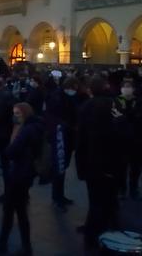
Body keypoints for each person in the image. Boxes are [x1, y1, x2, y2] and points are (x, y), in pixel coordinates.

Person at [0, 103, 42, 256]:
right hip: (25, 173)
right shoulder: (36, 126)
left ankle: (21, 247)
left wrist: (14, 136)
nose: (15, 116)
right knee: (14, 210)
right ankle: (8, 243)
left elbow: (11, 150)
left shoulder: (27, 130)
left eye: (18, 113)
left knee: (16, 210)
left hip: (19, 174)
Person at [76, 76, 124, 246]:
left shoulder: (86, 107)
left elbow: (81, 138)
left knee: (95, 200)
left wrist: (80, 164)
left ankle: (92, 237)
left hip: (91, 161)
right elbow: (120, 131)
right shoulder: (114, 104)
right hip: (111, 160)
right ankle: (110, 233)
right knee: (109, 199)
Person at [45, 76, 83, 211]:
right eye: (74, 88)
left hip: (68, 136)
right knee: (59, 167)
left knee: (63, 167)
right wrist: (65, 125)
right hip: (59, 136)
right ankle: (57, 197)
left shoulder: (69, 97)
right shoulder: (56, 97)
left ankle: (60, 195)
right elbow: (51, 116)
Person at [114, 80, 142, 200]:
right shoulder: (116, 100)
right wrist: (129, 115)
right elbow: (115, 116)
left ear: (133, 88)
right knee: (121, 166)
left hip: (137, 138)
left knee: (136, 167)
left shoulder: (139, 101)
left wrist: (124, 116)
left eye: (129, 87)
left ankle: (133, 188)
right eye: (125, 87)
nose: (127, 89)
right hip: (121, 138)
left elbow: (141, 115)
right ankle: (121, 189)